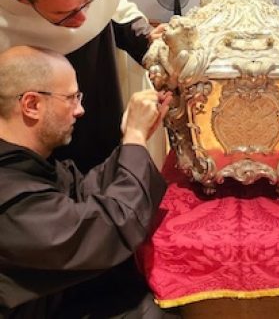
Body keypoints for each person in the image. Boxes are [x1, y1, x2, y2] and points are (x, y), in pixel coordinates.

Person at [0, 45, 181, 318]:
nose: (80, 110)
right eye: (71, 98)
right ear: (32, 104)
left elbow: (83, 194)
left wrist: (132, 142)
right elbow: (107, 229)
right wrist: (135, 138)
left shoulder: (22, 161)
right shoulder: (8, 194)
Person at [0, 0, 165, 173]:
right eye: (64, 14)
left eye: (88, 0)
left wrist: (153, 44)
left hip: (102, 96)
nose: (83, 20)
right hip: (42, 137)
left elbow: (120, 19)